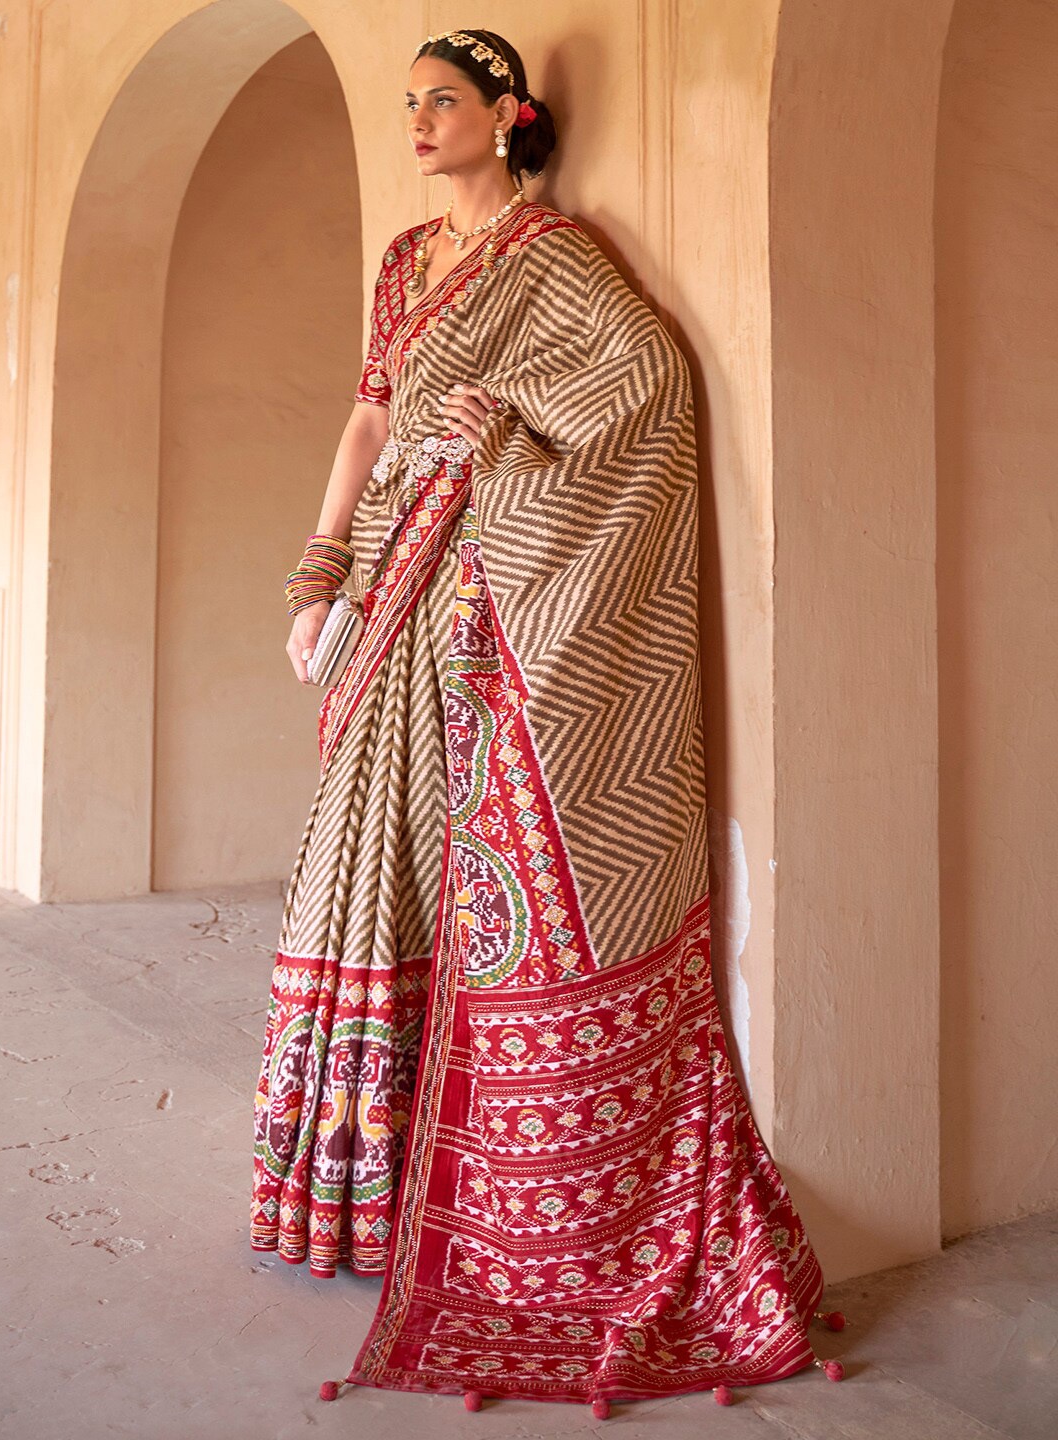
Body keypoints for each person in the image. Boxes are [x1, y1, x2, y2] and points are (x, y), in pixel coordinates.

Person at [251, 27, 846, 1412]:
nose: (417, 120)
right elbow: (367, 421)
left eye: (440, 101)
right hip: (390, 585)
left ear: (507, 117)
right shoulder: (407, 263)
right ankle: (359, 1179)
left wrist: (510, 427)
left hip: (486, 600)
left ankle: (478, 1187)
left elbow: (647, 388)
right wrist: (318, 567)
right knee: (356, 855)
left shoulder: (561, 260)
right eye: (407, 102)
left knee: (469, 870)